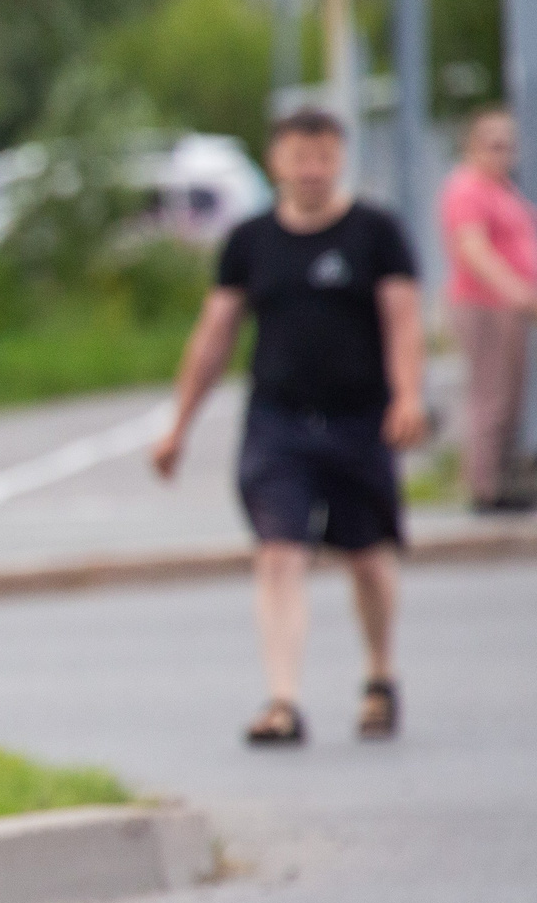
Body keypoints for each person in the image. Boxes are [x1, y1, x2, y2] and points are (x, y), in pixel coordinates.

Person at [152, 107, 428, 745]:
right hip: (279, 419)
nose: (311, 170)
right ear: (275, 162)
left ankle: (379, 675)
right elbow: (215, 335)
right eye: (300, 157)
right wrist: (179, 426)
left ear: (340, 160)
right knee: (278, 551)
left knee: (365, 556)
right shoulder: (251, 241)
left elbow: (404, 321)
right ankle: (282, 700)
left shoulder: (376, 232)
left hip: (360, 417)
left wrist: (407, 397)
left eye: (324, 157)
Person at [437, 106, 537, 512]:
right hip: (485, 304)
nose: (503, 153)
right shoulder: (467, 189)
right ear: (472, 146)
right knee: (491, 395)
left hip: (510, 305)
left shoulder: (502, 188)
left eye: (507, 145)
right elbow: (474, 249)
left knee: (510, 394)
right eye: (493, 144)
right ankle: (484, 485)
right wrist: (516, 291)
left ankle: (502, 477)